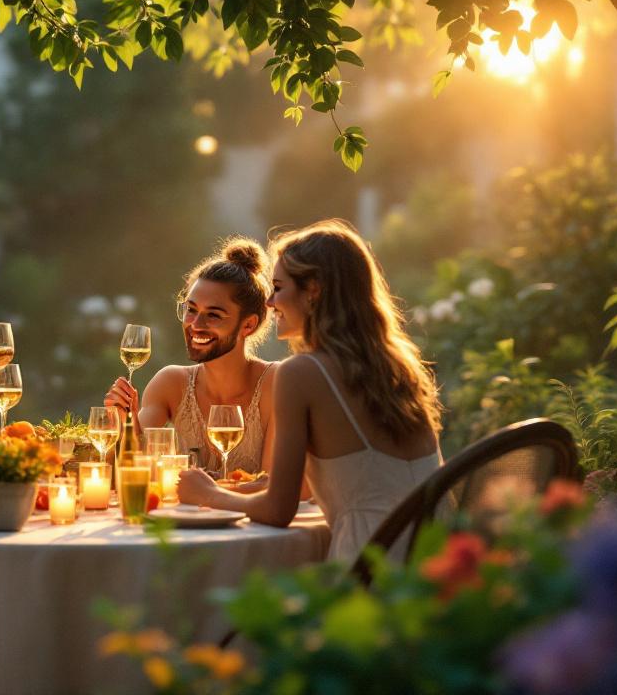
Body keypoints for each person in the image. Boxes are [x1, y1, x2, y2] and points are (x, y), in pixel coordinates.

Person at [177, 219, 443, 563]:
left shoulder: (302, 373)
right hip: (437, 562)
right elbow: (376, 476)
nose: (270, 302)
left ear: (313, 291)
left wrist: (209, 494)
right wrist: (261, 486)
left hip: (372, 568)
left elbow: (277, 511)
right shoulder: (398, 365)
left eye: (278, 287)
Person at [105, 238, 276, 479]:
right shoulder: (171, 384)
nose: (195, 325)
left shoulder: (275, 384)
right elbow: (131, 474)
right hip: (181, 517)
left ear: (247, 325)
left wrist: (205, 492)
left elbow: (273, 485)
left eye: (213, 315)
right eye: (191, 309)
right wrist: (124, 424)